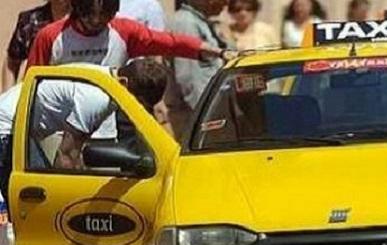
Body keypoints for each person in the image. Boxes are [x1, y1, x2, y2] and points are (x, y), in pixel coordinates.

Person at [0, 60, 168, 200]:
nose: (137, 109)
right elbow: (66, 155)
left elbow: (75, 152)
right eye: (138, 102)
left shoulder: (105, 79)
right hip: (7, 127)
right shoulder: (97, 98)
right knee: (36, 197)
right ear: (124, 83)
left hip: (21, 128)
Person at [26, 0, 235, 69]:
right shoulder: (49, 37)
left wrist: (219, 52)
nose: (96, 22)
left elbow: (172, 43)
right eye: (89, 17)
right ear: (77, 9)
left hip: (110, 124)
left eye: (104, 17)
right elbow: (31, 82)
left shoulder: (125, 32)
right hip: (59, 126)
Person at [165, 0, 230, 139]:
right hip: (195, 117)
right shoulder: (186, 23)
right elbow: (187, 77)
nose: (226, 3)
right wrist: (205, 115)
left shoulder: (202, 22)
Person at [5, 0, 71, 84]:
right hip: (39, 88)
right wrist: (9, 91)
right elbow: (11, 63)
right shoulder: (30, 22)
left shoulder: (83, 23)